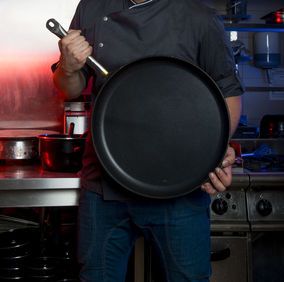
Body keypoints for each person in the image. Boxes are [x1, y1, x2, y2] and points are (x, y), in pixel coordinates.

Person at [52, 0, 243, 280]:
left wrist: (213, 151)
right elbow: (69, 89)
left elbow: (227, 92)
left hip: (178, 187)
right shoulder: (92, 7)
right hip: (105, 183)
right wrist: (68, 69)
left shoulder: (199, 16)